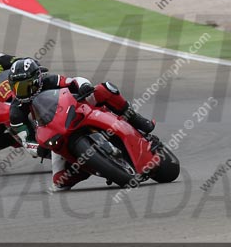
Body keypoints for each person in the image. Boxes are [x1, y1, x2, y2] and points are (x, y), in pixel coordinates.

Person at [8, 58, 155, 189]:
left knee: (104, 89)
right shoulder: (16, 111)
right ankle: (89, 167)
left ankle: (137, 120)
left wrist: (84, 86)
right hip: (55, 133)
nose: (22, 91)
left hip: (76, 108)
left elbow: (74, 81)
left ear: (37, 79)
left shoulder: (49, 80)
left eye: (25, 86)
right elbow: (26, 140)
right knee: (59, 182)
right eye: (16, 87)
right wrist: (38, 148)